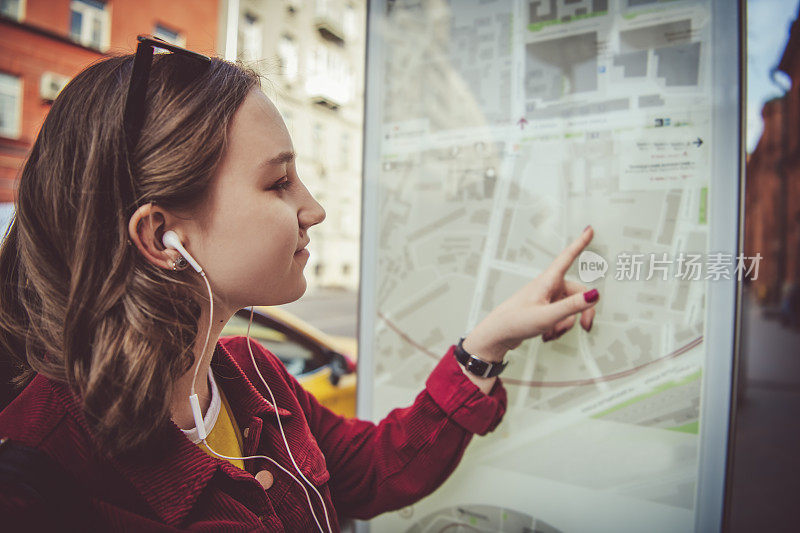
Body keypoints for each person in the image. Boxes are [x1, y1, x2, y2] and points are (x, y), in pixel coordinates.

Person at [0, 38, 599, 532]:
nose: (313, 209)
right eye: (278, 182)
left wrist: (487, 344)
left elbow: (369, 471)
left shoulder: (248, 372)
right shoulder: (38, 476)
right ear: (161, 236)